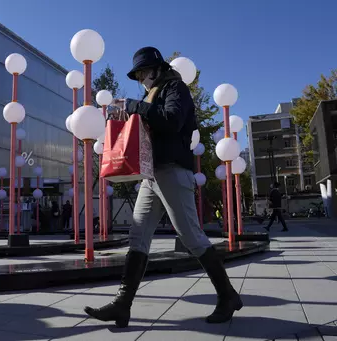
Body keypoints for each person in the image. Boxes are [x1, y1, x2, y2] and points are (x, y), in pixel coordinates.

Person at [84, 47, 242, 327]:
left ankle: (227, 295)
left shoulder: (175, 88)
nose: (142, 78)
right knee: (138, 235)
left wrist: (134, 106)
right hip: (151, 174)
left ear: (158, 69)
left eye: (145, 72)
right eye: (138, 74)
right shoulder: (151, 95)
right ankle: (122, 304)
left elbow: (171, 121)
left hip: (172, 171)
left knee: (190, 236)